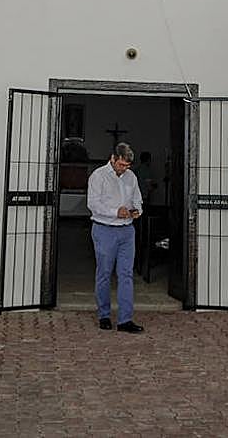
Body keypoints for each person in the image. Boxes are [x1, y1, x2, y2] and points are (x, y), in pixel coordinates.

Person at [86, 142, 144, 333]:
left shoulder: (131, 177)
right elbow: (93, 204)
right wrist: (115, 212)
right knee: (104, 273)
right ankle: (104, 315)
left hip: (127, 231)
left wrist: (137, 210)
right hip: (104, 230)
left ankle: (125, 319)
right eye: (121, 165)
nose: (124, 169)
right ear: (113, 158)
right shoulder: (98, 176)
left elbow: (137, 199)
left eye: (127, 166)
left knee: (126, 274)